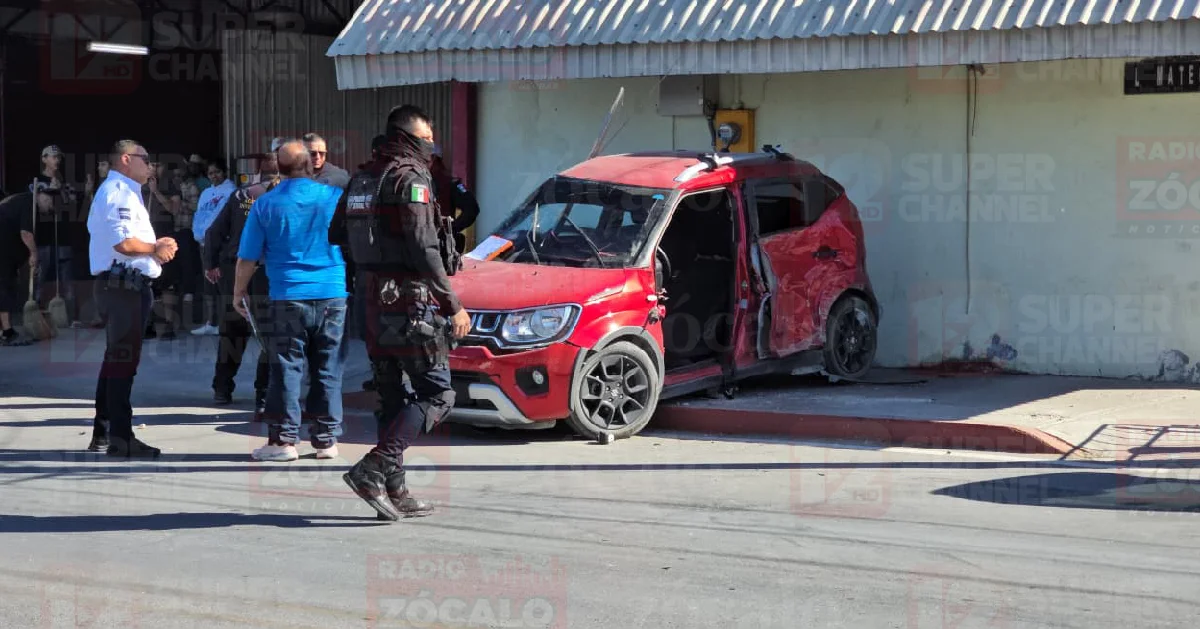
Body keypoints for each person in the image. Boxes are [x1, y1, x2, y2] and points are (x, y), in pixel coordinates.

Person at [330, 104, 470, 521]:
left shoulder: (361, 178)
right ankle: (372, 469)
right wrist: (453, 304)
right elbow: (424, 248)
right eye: (428, 137)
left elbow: (336, 234)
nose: (432, 144)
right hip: (410, 303)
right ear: (410, 137)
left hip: (370, 301)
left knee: (392, 398)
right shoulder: (410, 179)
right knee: (438, 394)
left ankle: (397, 491)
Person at [235, 140, 348, 462]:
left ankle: (283, 442)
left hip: (287, 295)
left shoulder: (265, 204)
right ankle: (325, 441)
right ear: (311, 165)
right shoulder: (334, 198)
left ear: (277, 169)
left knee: (286, 367)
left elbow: (247, 258)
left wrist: (238, 293)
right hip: (332, 293)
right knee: (327, 368)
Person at [86, 140, 177, 458]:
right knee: (122, 363)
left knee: (116, 360)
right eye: (145, 159)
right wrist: (155, 249)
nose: (149, 165)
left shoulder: (126, 191)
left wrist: (155, 244)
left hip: (126, 287)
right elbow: (123, 243)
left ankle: (104, 432)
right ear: (126, 159)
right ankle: (120, 438)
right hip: (122, 288)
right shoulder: (119, 192)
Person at [203, 145, 280, 409]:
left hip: (232, 271)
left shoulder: (240, 196)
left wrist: (210, 264)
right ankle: (263, 394)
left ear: (259, 172)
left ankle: (222, 389)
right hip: (265, 274)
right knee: (270, 335)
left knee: (231, 334)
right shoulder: (282, 196)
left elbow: (213, 233)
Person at [0, 181, 54, 346]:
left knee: (4, 285)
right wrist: (34, 253)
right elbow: (26, 234)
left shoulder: (19, 200)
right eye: (49, 200)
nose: (50, 205)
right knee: (4, 286)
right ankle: (7, 332)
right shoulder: (29, 203)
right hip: (3, 250)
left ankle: (4, 331)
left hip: (6, 250)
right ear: (40, 195)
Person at [191, 158, 236, 335]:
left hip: (221, 243)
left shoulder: (231, 191)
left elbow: (223, 218)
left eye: (217, 172)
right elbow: (200, 215)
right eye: (210, 173)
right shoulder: (206, 193)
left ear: (224, 172)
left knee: (223, 284)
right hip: (204, 243)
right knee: (208, 284)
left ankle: (226, 323)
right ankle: (212, 322)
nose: (214, 176)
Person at [429, 143, 480, 254]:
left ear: (433, 159)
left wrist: (450, 229)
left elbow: (472, 208)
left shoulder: (449, 184)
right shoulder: (414, 180)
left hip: (439, 248)